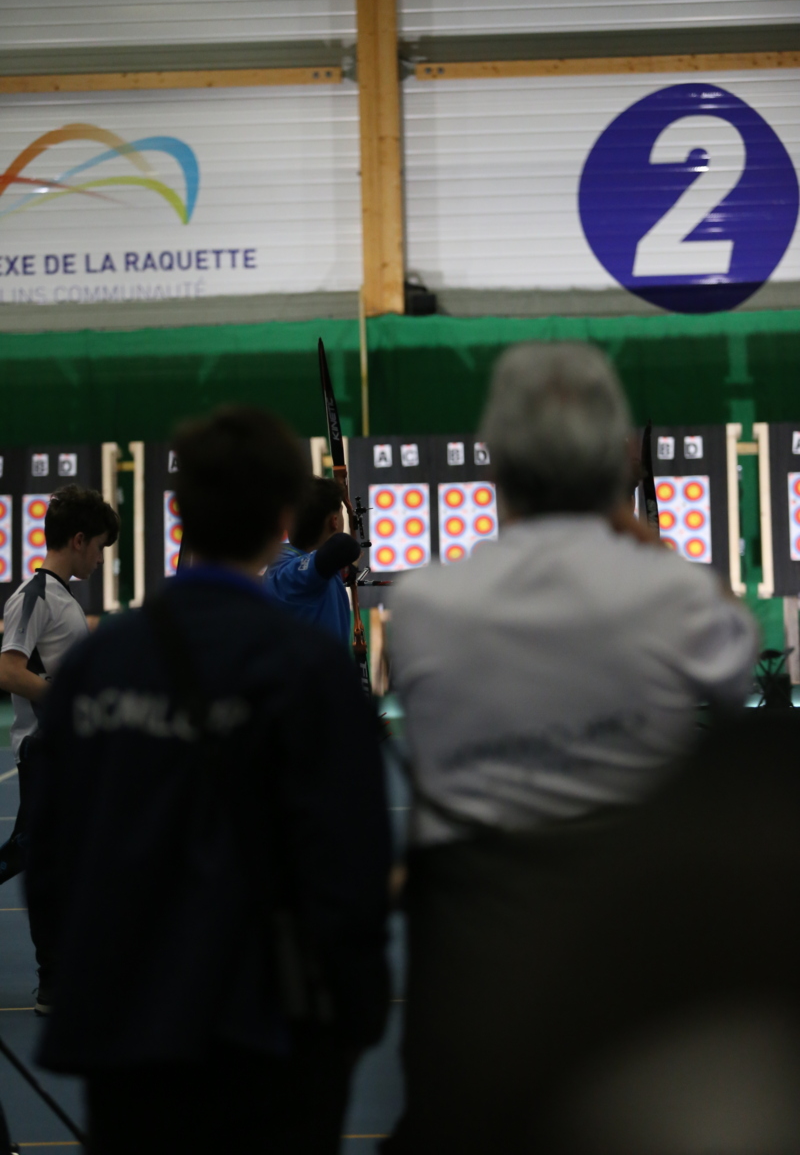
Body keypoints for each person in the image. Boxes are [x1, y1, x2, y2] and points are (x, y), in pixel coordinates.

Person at [384, 342, 758, 1154]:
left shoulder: (423, 603)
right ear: (620, 464)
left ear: (494, 465)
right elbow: (737, 662)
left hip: (472, 958)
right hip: (636, 951)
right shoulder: (674, 592)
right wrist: (640, 535)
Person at [26, 406, 391, 1155]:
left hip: (130, 1036)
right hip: (269, 1032)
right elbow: (351, 870)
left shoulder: (100, 665)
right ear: (281, 517)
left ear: (181, 513)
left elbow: (51, 855)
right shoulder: (308, 670)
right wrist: (352, 1023)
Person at [0, 484, 118, 1014]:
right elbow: (8, 671)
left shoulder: (63, 599)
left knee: (65, 862)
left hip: (69, 756)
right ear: (78, 540)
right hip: (44, 755)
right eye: (100, 547)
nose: (100, 558)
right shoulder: (34, 596)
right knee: (35, 858)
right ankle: (55, 984)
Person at [264, 476, 360, 645]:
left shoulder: (316, 567)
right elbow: (344, 547)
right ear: (334, 521)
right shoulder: (284, 567)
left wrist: (342, 570)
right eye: (341, 514)